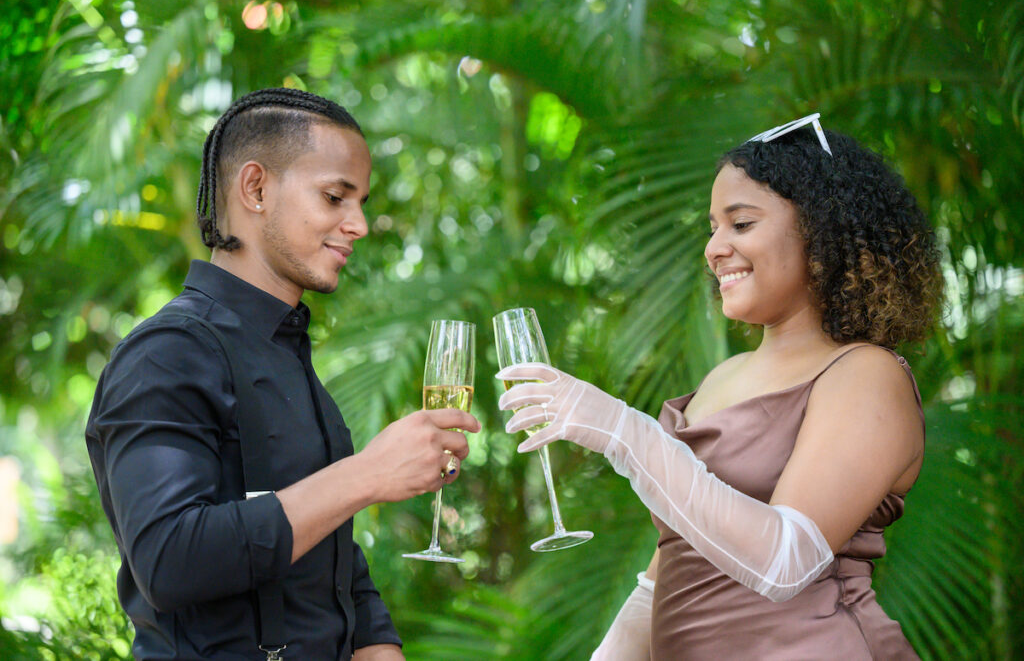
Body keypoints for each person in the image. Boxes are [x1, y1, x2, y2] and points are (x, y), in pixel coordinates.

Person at [498, 114, 943, 659]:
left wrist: (624, 431)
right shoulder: (720, 380)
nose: (713, 249)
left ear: (821, 230)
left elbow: (787, 562)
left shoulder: (866, 375)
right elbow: (665, 578)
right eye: (712, 227)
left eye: (741, 223)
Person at [85, 88, 478, 660]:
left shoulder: (288, 354)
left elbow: (331, 567)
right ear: (256, 188)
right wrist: (366, 474)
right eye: (335, 197)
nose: (360, 224)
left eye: (361, 201)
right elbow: (169, 561)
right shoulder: (165, 353)